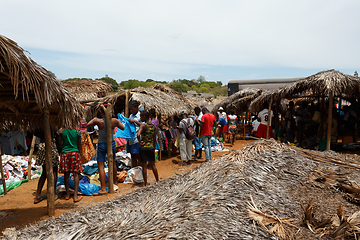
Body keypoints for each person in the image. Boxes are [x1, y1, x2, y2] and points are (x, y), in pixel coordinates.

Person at [87, 104, 124, 195]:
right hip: (110, 143)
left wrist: (94, 119)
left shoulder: (98, 121)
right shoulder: (114, 121)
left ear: (100, 112)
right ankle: (114, 181)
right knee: (113, 163)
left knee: (101, 166)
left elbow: (87, 124)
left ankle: (103, 188)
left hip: (101, 144)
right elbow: (123, 127)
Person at [34, 130, 60, 204]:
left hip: (42, 146)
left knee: (44, 172)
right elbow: (56, 132)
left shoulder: (38, 123)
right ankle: (53, 193)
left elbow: (35, 132)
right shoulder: (51, 121)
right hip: (50, 145)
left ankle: (38, 194)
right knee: (54, 170)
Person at [134, 111, 159, 186]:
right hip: (151, 147)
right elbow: (154, 139)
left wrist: (140, 141)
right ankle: (157, 180)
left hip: (143, 148)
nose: (140, 118)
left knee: (144, 166)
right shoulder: (153, 126)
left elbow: (138, 134)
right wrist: (153, 148)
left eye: (141, 116)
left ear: (144, 117)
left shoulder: (142, 125)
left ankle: (145, 183)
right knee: (153, 165)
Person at [58, 128, 82, 202]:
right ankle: (75, 196)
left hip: (65, 153)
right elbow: (79, 144)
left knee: (66, 174)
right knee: (76, 174)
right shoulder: (77, 132)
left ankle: (68, 195)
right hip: (75, 152)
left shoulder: (61, 131)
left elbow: (59, 144)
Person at [126, 100, 143, 168]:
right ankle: (134, 171)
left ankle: (140, 172)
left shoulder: (140, 116)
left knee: (139, 157)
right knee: (133, 157)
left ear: (136, 107)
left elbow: (143, 126)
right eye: (130, 109)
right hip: (130, 140)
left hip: (137, 140)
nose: (131, 110)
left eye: (132, 109)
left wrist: (135, 121)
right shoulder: (131, 116)